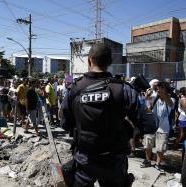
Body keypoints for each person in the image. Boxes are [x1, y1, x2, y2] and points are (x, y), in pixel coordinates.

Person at [61, 44, 137, 187]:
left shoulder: (74, 89)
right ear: (110, 62)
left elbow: (65, 124)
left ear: (89, 61)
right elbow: (149, 123)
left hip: (85, 160)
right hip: (114, 161)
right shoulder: (124, 89)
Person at [141, 81, 174, 173]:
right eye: (157, 88)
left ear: (165, 89)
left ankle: (158, 164)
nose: (158, 90)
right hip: (152, 127)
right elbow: (148, 111)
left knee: (160, 148)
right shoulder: (155, 99)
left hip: (163, 128)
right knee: (147, 145)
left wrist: (164, 93)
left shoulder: (171, 99)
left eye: (160, 88)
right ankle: (148, 161)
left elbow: (171, 104)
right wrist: (147, 98)